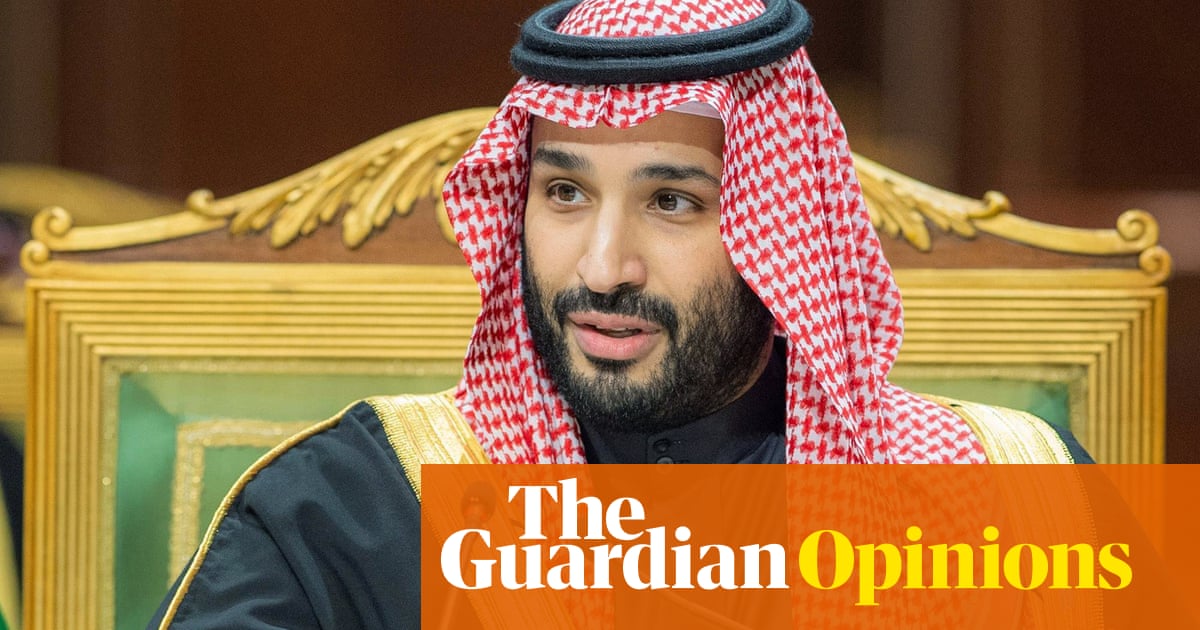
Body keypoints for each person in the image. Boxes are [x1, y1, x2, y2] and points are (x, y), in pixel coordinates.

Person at [149, 0, 1093, 627]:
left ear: (783, 229)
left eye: (672, 201)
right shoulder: (346, 512)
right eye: (564, 193)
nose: (603, 269)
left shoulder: (1017, 500)